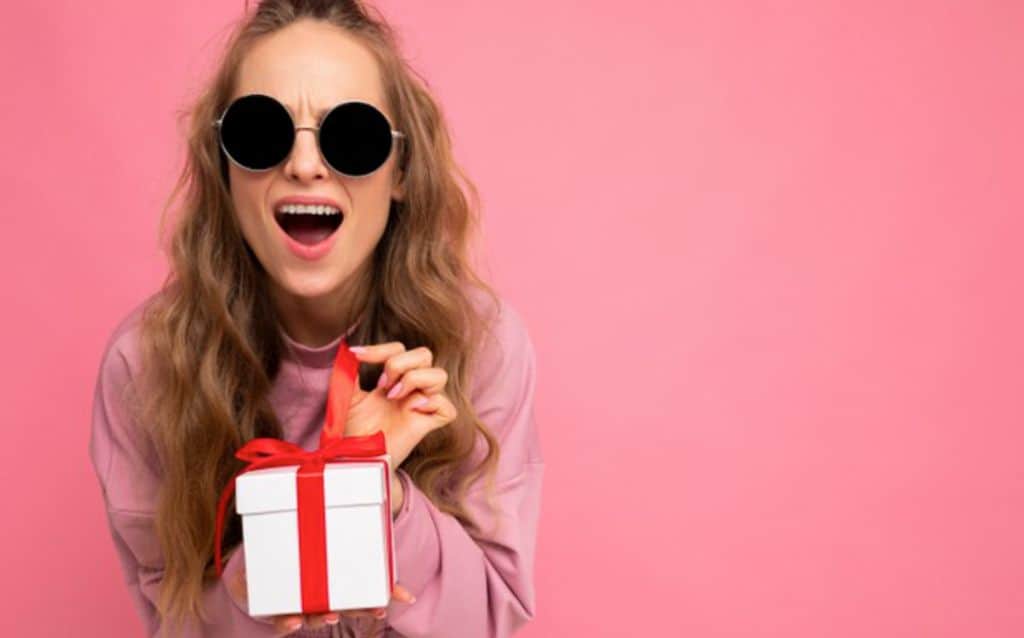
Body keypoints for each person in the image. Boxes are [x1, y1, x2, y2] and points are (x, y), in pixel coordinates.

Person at [87, 1, 543, 636]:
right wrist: (315, 504)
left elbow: (490, 620)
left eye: (351, 136)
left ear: (401, 171)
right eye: (259, 131)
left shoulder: (480, 343)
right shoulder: (147, 365)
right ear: (225, 168)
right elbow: (177, 625)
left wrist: (380, 492)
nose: (303, 165)